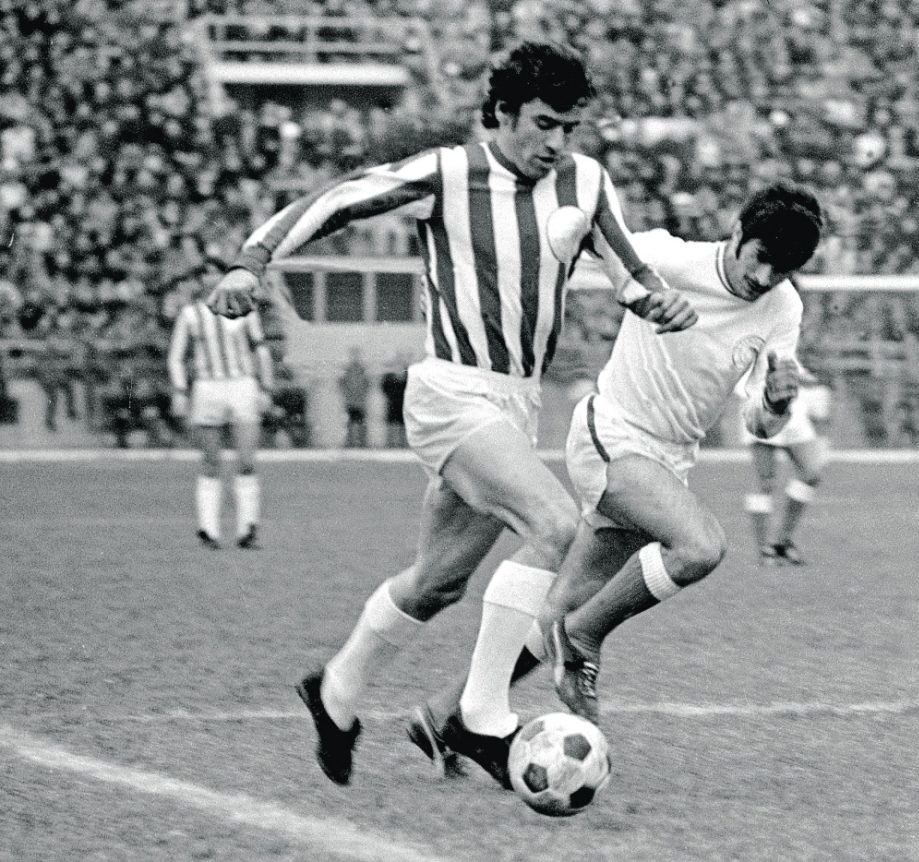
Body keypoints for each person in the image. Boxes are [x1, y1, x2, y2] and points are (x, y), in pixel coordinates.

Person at [204, 41, 696, 788]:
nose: (556, 142)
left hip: (514, 402)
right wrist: (253, 261)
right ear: (502, 113)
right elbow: (339, 199)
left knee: (437, 582)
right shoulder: (447, 173)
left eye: (569, 127)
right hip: (451, 392)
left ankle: (335, 691)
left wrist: (659, 302)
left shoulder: (586, 182)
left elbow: (630, 271)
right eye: (543, 123)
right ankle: (480, 716)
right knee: (554, 526)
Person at [416, 182, 824, 764]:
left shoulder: (784, 308)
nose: (763, 278)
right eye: (760, 259)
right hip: (611, 436)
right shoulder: (665, 258)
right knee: (700, 547)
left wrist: (778, 404)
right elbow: (570, 243)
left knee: (557, 610)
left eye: (781, 271)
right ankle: (583, 639)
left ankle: (446, 717)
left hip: (668, 463)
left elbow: (759, 422)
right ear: (737, 232)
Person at [168, 263, 275, 550]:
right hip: (208, 387)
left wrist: (266, 387)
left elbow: (260, 349)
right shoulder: (190, 314)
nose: (211, 279)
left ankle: (248, 530)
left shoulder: (244, 309)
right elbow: (176, 356)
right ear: (200, 280)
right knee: (210, 461)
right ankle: (208, 530)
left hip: (242, 385)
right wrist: (180, 390)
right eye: (206, 274)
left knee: (247, 460)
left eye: (217, 273)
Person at [743, 357, 833, 566]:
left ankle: (782, 542)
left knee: (811, 473)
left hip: (793, 409)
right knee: (765, 482)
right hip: (764, 406)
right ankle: (764, 550)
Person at [338, 347, 370, 448]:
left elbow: (367, 384)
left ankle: (362, 442)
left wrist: (362, 395)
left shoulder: (363, 370)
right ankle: (349, 442)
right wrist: (347, 394)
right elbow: (341, 383)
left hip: (360, 402)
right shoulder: (347, 370)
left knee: (361, 422)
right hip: (350, 402)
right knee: (349, 422)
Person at [380, 354, 409, 448]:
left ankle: (403, 443)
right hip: (392, 404)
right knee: (392, 424)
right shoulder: (389, 379)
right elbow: (384, 388)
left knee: (403, 424)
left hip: (404, 405)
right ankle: (391, 443)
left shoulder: (407, 379)